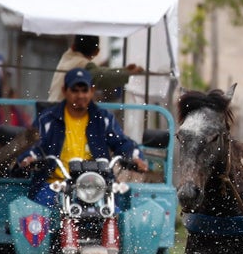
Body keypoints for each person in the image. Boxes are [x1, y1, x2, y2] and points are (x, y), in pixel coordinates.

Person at [19, 68, 148, 207]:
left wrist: (135, 157)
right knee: (36, 219)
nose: (80, 95)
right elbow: (35, 146)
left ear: (92, 91)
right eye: (75, 90)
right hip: (56, 186)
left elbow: (122, 143)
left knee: (115, 220)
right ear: (64, 91)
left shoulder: (102, 119)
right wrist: (29, 158)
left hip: (95, 188)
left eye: (84, 90)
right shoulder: (47, 118)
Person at [46, 34, 144, 103]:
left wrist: (124, 70)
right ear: (97, 52)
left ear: (73, 46)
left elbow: (100, 71)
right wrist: (128, 73)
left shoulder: (67, 58)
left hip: (51, 109)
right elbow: (103, 76)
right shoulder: (81, 64)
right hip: (62, 117)